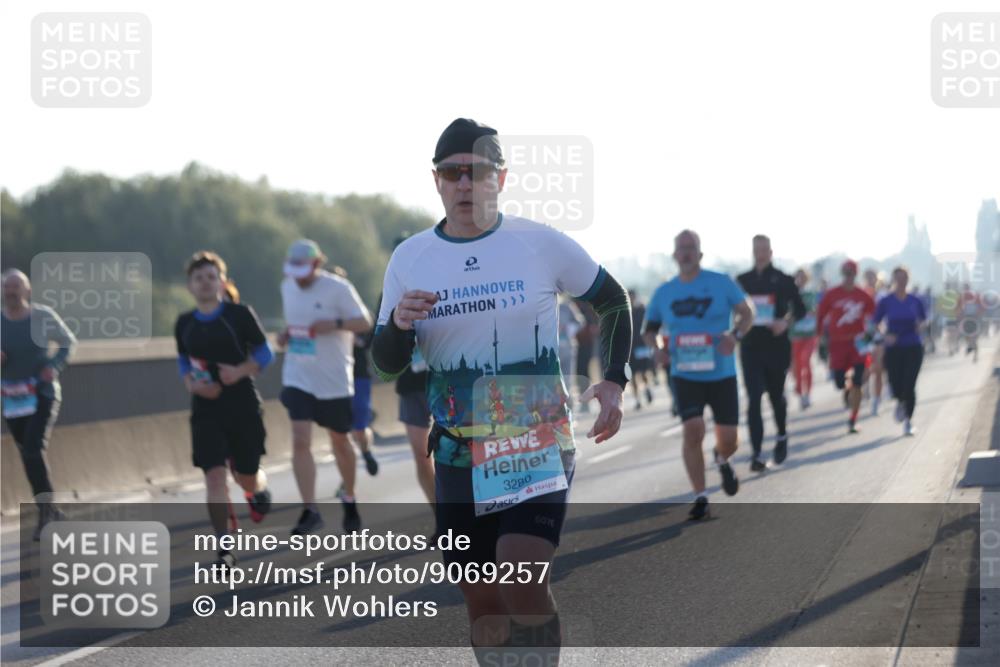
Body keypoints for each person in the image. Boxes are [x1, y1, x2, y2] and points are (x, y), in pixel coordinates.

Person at [371, 118, 632, 665]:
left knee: (518, 572)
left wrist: (613, 378)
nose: (464, 184)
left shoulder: (538, 243)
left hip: (535, 437)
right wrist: (396, 324)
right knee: (482, 598)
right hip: (458, 449)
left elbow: (613, 301)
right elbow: (386, 364)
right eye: (452, 173)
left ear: (501, 179)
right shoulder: (411, 258)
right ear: (436, 181)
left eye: (477, 172)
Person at [644, 230, 754, 519]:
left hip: (722, 372)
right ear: (674, 255)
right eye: (681, 248)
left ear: (700, 253)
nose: (686, 253)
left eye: (691, 248)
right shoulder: (664, 291)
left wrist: (735, 336)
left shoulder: (720, 282)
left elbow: (747, 312)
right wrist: (656, 350)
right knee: (693, 429)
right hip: (684, 373)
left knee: (728, 438)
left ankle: (721, 457)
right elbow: (650, 329)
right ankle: (701, 496)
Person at [174, 252, 274, 567]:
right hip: (205, 409)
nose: (205, 282)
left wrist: (240, 371)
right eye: (198, 278)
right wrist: (191, 383)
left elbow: (265, 353)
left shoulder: (239, 315)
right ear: (190, 286)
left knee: (245, 476)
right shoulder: (185, 323)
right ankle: (223, 547)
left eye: (210, 276)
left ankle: (256, 490)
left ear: (221, 282)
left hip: (241, 404)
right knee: (214, 478)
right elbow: (182, 360)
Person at [277, 240, 373, 535]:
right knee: (299, 439)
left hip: (333, 379)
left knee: (340, 443)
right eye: (294, 269)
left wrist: (336, 323)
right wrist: (285, 335)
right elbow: (295, 323)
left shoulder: (338, 288)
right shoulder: (287, 287)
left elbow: (365, 322)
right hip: (298, 374)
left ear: (317, 264)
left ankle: (350, 497)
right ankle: (310, 510)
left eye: (303, 269)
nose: (298, 276)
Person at [1, 269, 76, 540]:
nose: (11, 291)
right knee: (28, 454)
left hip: (43, 393)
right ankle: (50, 509)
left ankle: (46, 514)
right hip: (11, 398)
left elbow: (68, 342)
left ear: (27, 291)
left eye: (16, 287)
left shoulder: (42, 316)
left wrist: (54, 366)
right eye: (7, 287)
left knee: (33, 447)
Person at [736, 235, 805, 471]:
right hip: (750, 346)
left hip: (776, 346)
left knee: (776, 396)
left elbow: (801, 310)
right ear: (752, 251)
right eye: (757, 249)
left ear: (771, 251)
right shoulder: (742, 281)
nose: (761, 253)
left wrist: (785, 322)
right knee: (753, 399)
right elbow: (732, 310)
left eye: (764, 249)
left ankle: (782, 435)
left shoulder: (784, 280)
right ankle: (756, 453)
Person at [815, 260, 876, 434]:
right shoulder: (832, 294)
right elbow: (821, 315)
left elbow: (875, 316)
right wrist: (819, 336)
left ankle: (853, 419)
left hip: (858, 342)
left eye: (851, 274)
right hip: (838, 343)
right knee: (839, 382)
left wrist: (874, 334)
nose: (848, 277)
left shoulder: (863, 295)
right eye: (845, 273)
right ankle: (847, 389)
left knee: (858, 380)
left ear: (855, 275)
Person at [332, 266, 380, 479]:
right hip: (333, 379)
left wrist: (356, 339)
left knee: (359, 428)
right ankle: (346, 478)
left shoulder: (361, 315)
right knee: (340, 432)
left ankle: (366, 450)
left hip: (358, 375)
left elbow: (370, 339)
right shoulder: (325, 318)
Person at [874, 267, 926, 436]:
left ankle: (909, 421)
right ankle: (900, 401)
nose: (901, 281)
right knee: (895, 383)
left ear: (908, 280)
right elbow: (876, 322)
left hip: (913, 345)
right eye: (898, 278)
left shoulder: (915, 300)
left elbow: (924, 320)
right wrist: (885, 335)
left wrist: (920, 326)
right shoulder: (886, 301)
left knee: (909, 383)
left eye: (904, 278)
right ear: (894, 280)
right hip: (894, 347)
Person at [789, 268, 819, 410]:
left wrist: (811, 311)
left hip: (810, 334)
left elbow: (817, 311)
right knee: (797, 366)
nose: (800, 280)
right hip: (795, 334)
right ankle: (800, 392)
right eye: (798, 277)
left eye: (803, 277)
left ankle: (808, 393)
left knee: (805, 361)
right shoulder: (790, 294)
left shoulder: (811, 293)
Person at [627, 289, 655, 411]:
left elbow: (648, 326)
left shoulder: (642, 310)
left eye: (633, 297)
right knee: (631, 376)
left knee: (644, 372)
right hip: (628, 348)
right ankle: (637, 399)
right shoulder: (623, 312)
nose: (631, 299)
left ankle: (647, 388)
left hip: (641, 345)